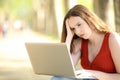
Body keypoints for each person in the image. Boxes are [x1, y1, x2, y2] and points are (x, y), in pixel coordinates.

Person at [51, 4, 120, 80]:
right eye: (73, 28)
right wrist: (69, 38)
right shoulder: (80, 42)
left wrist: (92, 74)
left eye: (79, 25)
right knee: (57, 78)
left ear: (89, 19)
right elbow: (63, 70)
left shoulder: (112, 38)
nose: (77, 31)